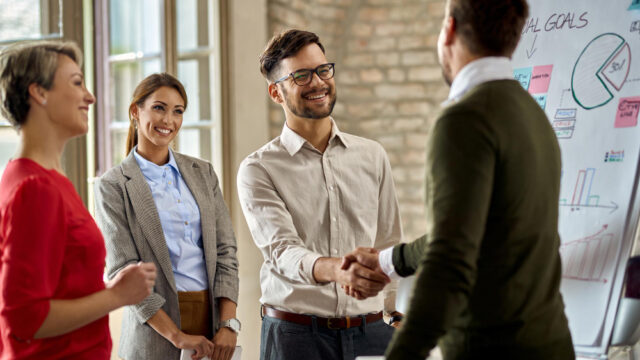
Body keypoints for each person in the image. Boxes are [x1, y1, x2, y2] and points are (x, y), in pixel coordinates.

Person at [341, 0, 576, 359]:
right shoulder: (534, 117)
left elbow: (449, 261)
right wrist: (389, 262)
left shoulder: (464, 120)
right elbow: (468, 230)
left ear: (448, 29)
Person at [236, 29, 403, 360]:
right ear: (276, 92)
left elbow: (388, 242)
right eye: (300, 75)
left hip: (373, 334)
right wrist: (339, 270)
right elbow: (283, 252)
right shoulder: (259, 169)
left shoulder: (372, 155)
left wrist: (397, 311)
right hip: (295, 338)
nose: (317, 82)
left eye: (323, 70)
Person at [0, 41, 157, 359]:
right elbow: (24, 317)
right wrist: (117, 296)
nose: (91, 96)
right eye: (76, 82)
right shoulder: (35, 189)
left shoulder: (42, 180)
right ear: (39, 93)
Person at [94, 73, 240, 360]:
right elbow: (123, 271)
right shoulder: (112, 185)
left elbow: (226, 252)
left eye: (178, 111)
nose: (168, 121)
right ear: (136, 111)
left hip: (213, 328)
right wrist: (176, 335)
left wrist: (228, 324)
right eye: (159, 107)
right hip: (153, 335)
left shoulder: (203, 173)